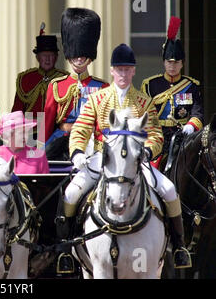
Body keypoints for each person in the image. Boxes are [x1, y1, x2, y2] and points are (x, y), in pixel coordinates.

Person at [60, 43, 191, 271]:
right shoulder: (96, 99)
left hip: (136, 160)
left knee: (169, 189)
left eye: (127, 69)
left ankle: (179, 246)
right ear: (112, 71)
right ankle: (66, 249)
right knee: (71, 193)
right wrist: (78, 152)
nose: (122, 74)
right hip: (102, 158)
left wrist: (148, 151)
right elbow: (81, 129)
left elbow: (155, 134)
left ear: (133, 71)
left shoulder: (143, 101)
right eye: (118, 69)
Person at [43, 8, 109, 160]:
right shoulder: (56, 85)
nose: (79, 59)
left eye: (83, 55)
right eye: (76, 55)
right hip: (61, 139)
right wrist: (41, 149)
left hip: (90, 140)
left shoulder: (102, 87)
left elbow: (102, 124)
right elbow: (46, 121)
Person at [141, 16, 203, 169]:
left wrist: (190, 126)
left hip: (182, 138)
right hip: (157, 137)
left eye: (176, 62)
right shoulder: (151, 85)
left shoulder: (191, 86)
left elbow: (198, 114)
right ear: (163, 62)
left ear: (182, 63)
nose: (172, 66)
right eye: (169, 62)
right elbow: (144, 114)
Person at [11, 23, 68, 118]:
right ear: (37, 57)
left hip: (54, 130)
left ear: (56, 58)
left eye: (51, 55)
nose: (47, 59)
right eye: (44, 55)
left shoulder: (64, 79)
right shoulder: (25, 78)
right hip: (30, 130)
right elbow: (17, 111)